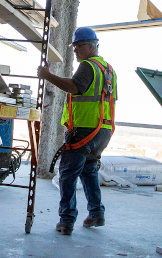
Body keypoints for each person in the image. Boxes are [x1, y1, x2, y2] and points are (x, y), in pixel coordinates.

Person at [37, 27, 117, 235]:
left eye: (78, 46)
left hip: (84, 131)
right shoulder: (108, 69)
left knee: (67, 174)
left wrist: (47, 75)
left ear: (91, 46)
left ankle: (66, 220)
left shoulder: (88, 66)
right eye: (74, 47)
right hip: (103, 131)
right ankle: (96, 214)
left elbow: (74, 87)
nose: (75, 51)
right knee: (89, 170)